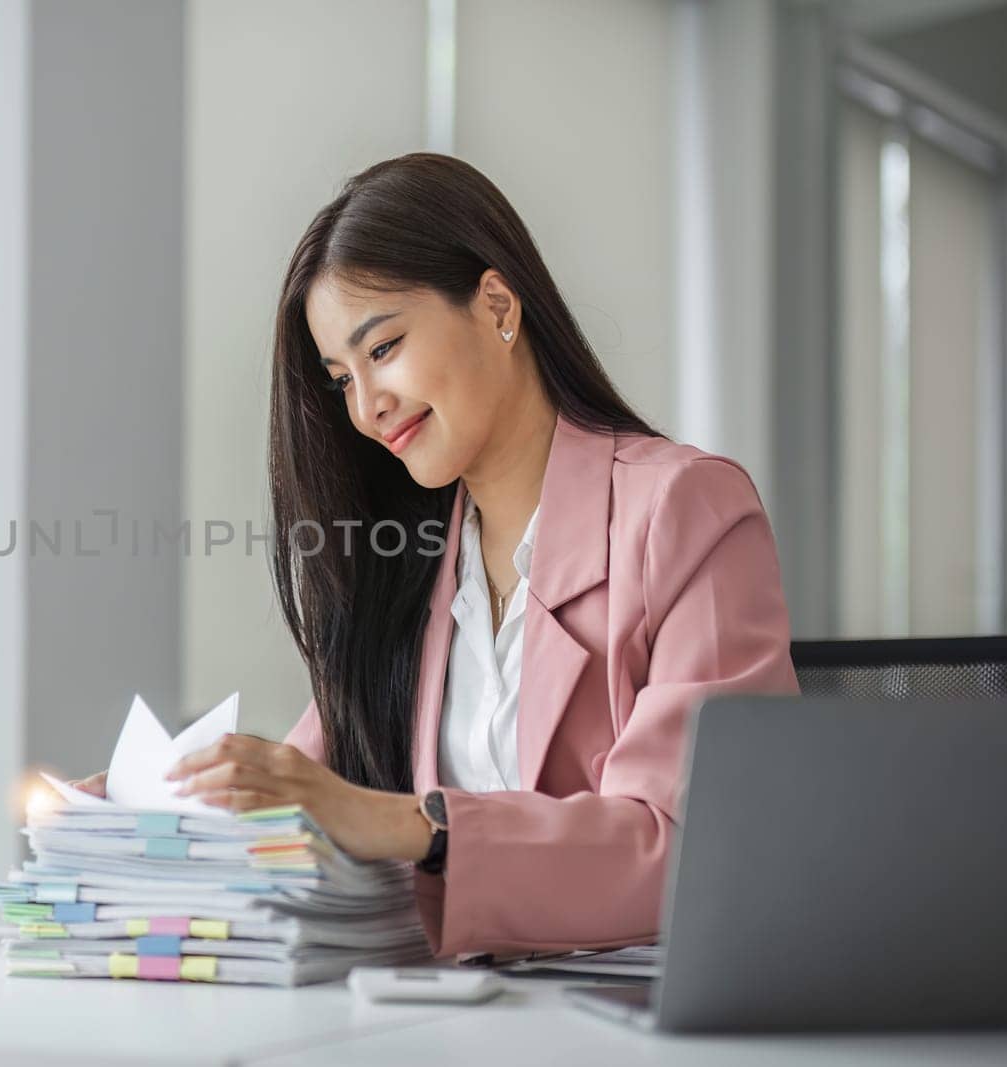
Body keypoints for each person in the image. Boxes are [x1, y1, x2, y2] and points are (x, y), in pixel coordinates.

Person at [74, 152, 798, 958]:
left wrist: (415, 825)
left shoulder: (685, 510)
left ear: (495, 305)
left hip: (641, 1017)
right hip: (441, 1016)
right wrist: (151, 807)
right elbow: (302, 794)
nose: (367, 407)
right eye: (341, 379)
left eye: (382, 349)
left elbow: (694, 844)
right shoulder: (406, 564)